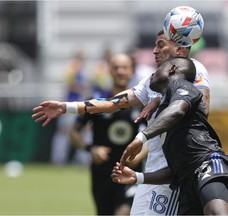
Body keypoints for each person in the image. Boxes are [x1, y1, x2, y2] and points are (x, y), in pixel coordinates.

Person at [32, 30, 210, 215]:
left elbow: (201, 110)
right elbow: (111, 103)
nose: (154, 51)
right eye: (155, 45)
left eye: (161, 45)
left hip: (173, 170)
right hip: (145, 172)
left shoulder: (195, 69)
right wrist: (66, 107)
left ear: (180, 49)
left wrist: (142, 139)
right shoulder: (151, 83)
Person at [115, 57, 228, 215]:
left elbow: (177, 110)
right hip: (186, 184)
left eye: (157, 70)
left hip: (209, 164)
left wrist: (141, 137)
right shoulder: (163, 112)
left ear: (172, 69)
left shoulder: (182, 86)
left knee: (217, 213)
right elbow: (176, 170)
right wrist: (137, 177)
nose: (152, 75)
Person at [71, 53, 146, 215]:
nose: (120, 71)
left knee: (123, 211)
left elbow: (153, 136)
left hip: (130, 171)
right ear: (109, 71)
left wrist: (139, 156)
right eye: (116, 67)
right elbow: (74, 132)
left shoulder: (142, 104)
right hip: (102, 172)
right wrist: (91, 149)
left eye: (124, 67)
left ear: (132, 71)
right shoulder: (98, 101)